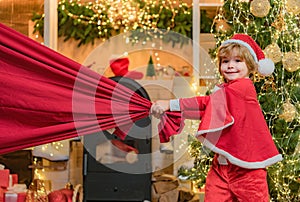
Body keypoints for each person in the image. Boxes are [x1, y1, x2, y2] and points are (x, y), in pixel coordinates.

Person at [151, 34, 283, 201]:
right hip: (221, 167)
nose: (230, 66)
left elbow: (206, 103)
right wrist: (170, 110)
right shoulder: (226, 90)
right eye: (225, 61)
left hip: (247, 170)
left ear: (250, 65)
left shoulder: (243, 88)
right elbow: (208, 111)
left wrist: (171, 104)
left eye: (237, 61)